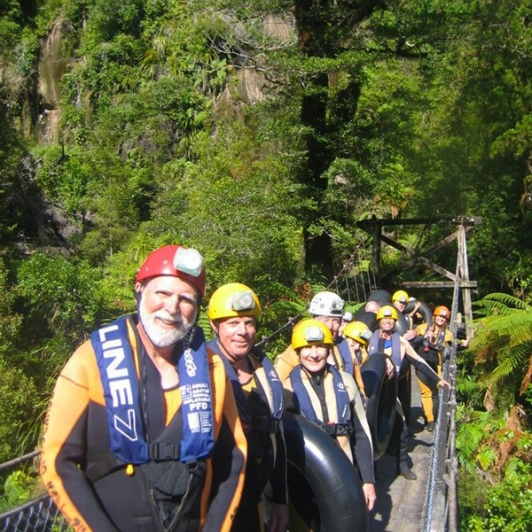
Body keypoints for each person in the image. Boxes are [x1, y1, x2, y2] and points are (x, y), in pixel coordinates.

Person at [40, 245, 247, 532]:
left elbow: (235, 456)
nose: (172, 308)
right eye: (162, 293)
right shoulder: (90, 361)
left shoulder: (212, 368)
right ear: (139, 290)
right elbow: (55, 461)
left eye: (186, 299)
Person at [207, 283, 288, 532]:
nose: (243, 332)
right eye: (232, 323)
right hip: (217, 503)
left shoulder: (261, 367)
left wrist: (281, 499)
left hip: (258, 496)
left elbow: (277, 438)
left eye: (249, 323)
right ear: (215, 326)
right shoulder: (202, 371)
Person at [283, 319, 376, 511]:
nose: (314, 354)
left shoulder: (347, 383)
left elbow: (361, 434)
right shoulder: (287, 390)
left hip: (346, 478)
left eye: (320, 347)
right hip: (305, 487)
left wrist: (368, 481)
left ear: (329, 350)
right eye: (307, 348)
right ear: (298, 352)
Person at [367, 305, 451, 480]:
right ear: (379, 321)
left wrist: (438, 380)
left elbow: (419, 362)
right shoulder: (368, 342)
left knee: (402, 429)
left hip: (391, 393)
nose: (388, 322)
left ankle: (402, 465)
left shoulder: (402, 343)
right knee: (368, 430)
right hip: (372, 393)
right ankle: (370, 471)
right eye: (385, 319)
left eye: (391, 319)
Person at [274, 291, 357, 385]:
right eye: (325, 319)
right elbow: (277, 384)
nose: (330, 326)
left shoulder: (344, 347)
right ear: (314, 318)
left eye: (335, 320)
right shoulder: (296, 350)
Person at [412, 305, 469, 431]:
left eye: (444, 318)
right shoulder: (422, 328)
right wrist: (424, 336)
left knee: (435, 393)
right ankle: (430, 421)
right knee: (426, 392)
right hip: (422, 362)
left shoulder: (447, 334)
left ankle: (436, 418)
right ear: (435, 316)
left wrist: (463, 345)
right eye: (440, 317)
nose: (441, 319)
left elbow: (454, 346)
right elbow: (412, 341)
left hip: (435, 364)